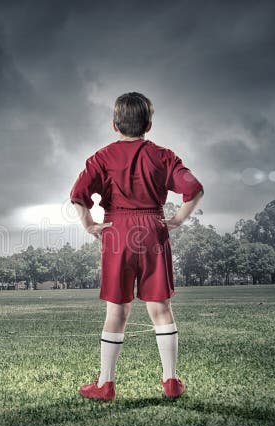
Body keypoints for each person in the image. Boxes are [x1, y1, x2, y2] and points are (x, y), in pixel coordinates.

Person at [69, 92, 204, 401]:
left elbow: (78, 193)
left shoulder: (101, 157)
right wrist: (179, 220)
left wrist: (89, 224)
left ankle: (106, 384)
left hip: (117, 231)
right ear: (150, 125)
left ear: (115, 125)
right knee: (160, 307)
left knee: (117, 309)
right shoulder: (164, 156)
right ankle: (170, 380)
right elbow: (194, 189)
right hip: (153, 230)